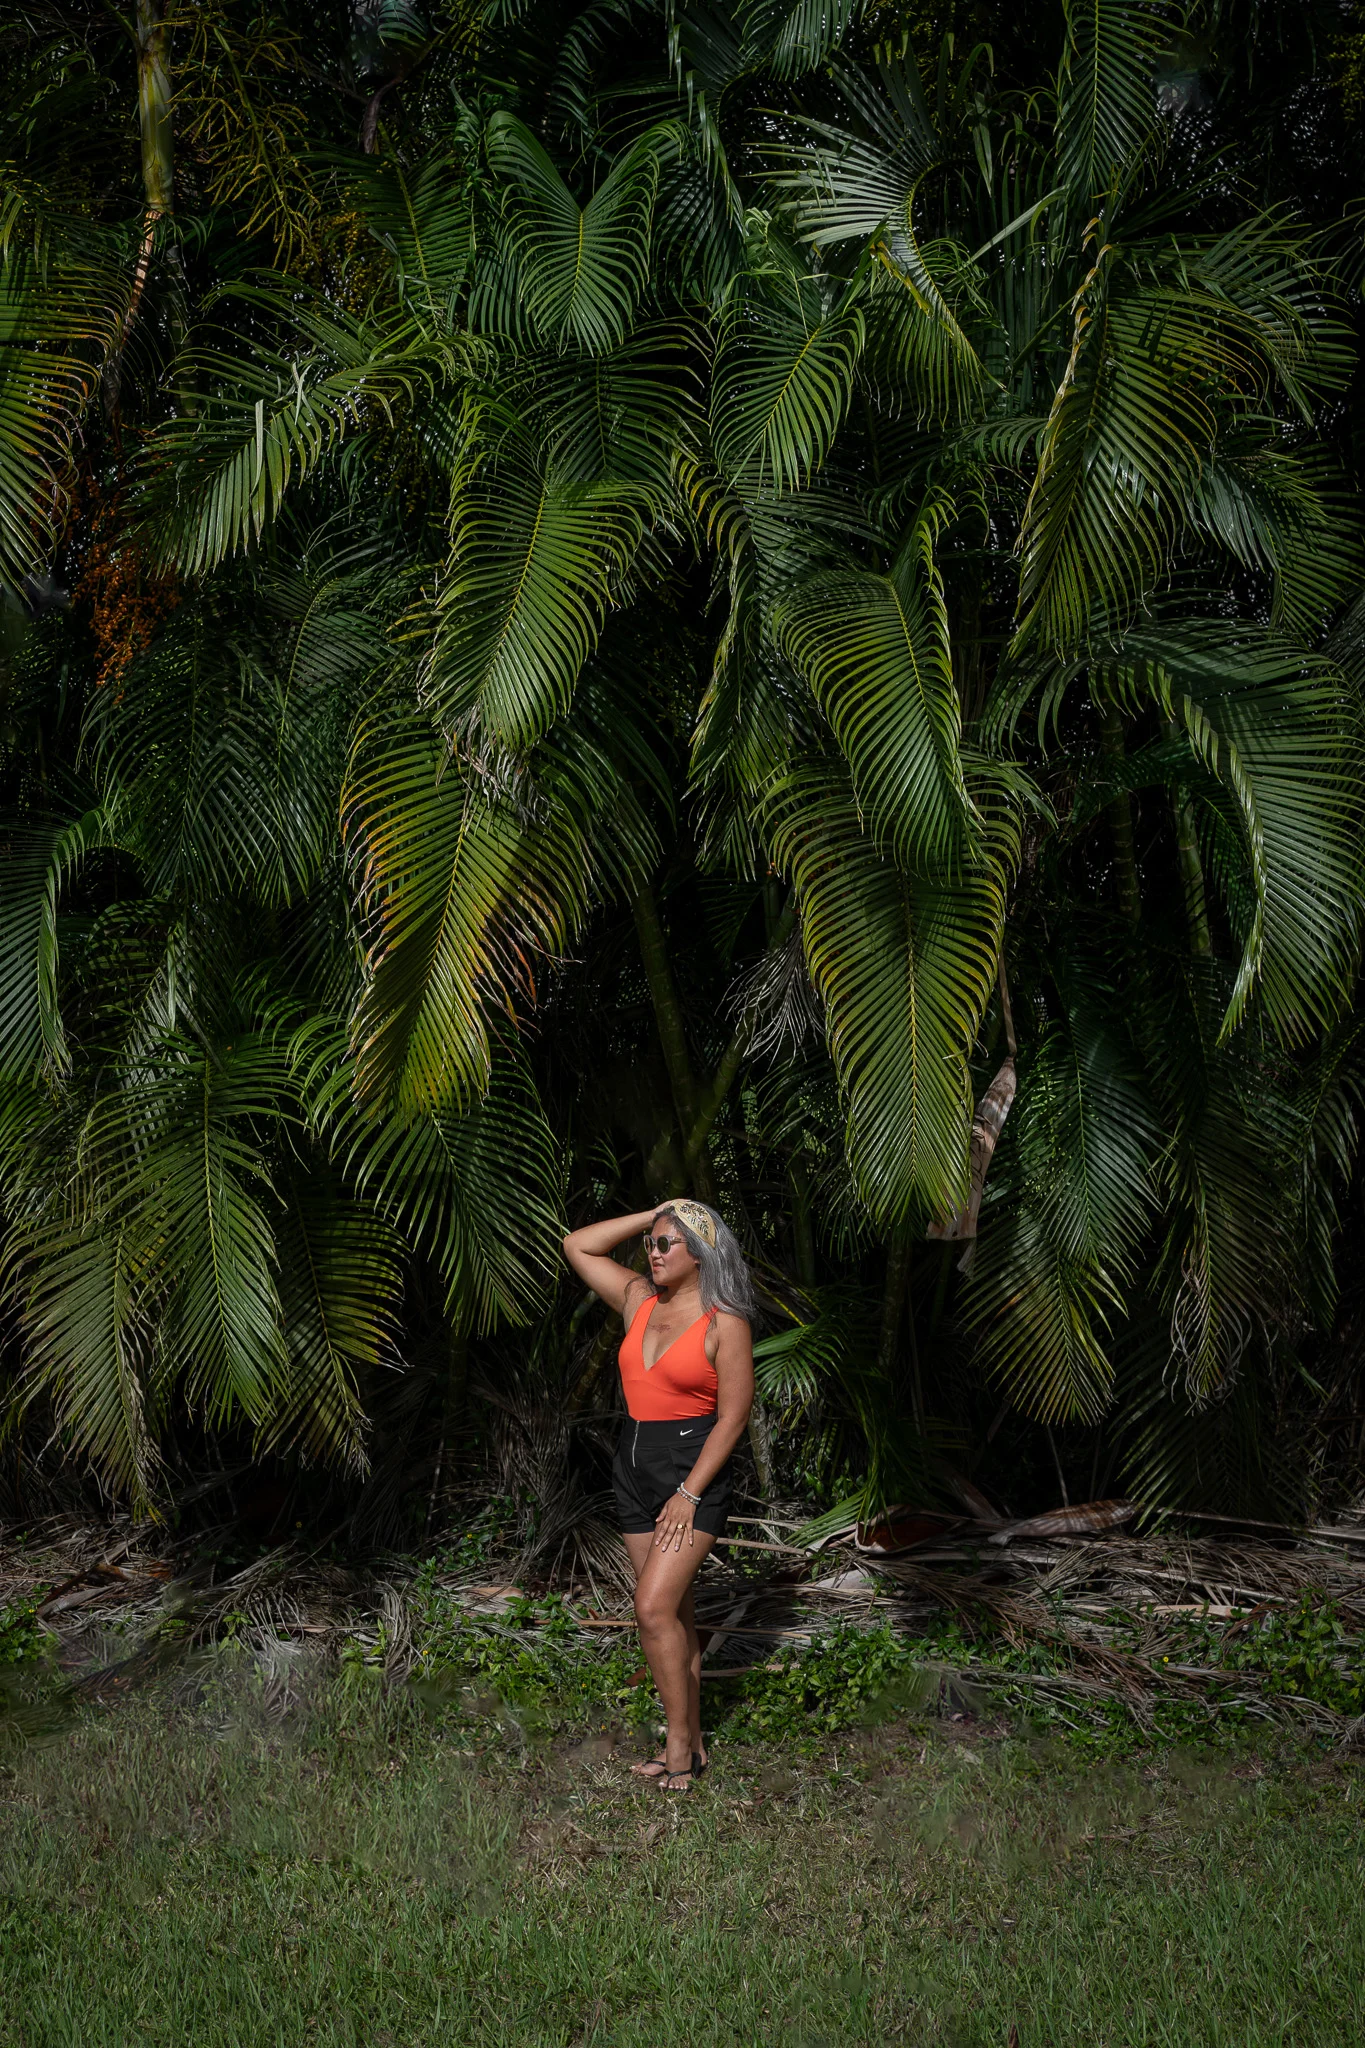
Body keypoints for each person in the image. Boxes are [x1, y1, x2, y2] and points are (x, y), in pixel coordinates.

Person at [561, 1198, 757, 1793]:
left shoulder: (725, 1321)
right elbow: (578, 1245)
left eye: (668, 1242)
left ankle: (677, 1745)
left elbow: (733, 1418)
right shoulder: (639, 1299)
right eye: (651, 1240)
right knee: (673, 1613)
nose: (654, 1250)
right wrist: (654, 1211)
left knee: (650, 1610)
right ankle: (692, 1738)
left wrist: (690, 1494)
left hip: (689, 1470)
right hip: (632, 1464)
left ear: (700, 1253)